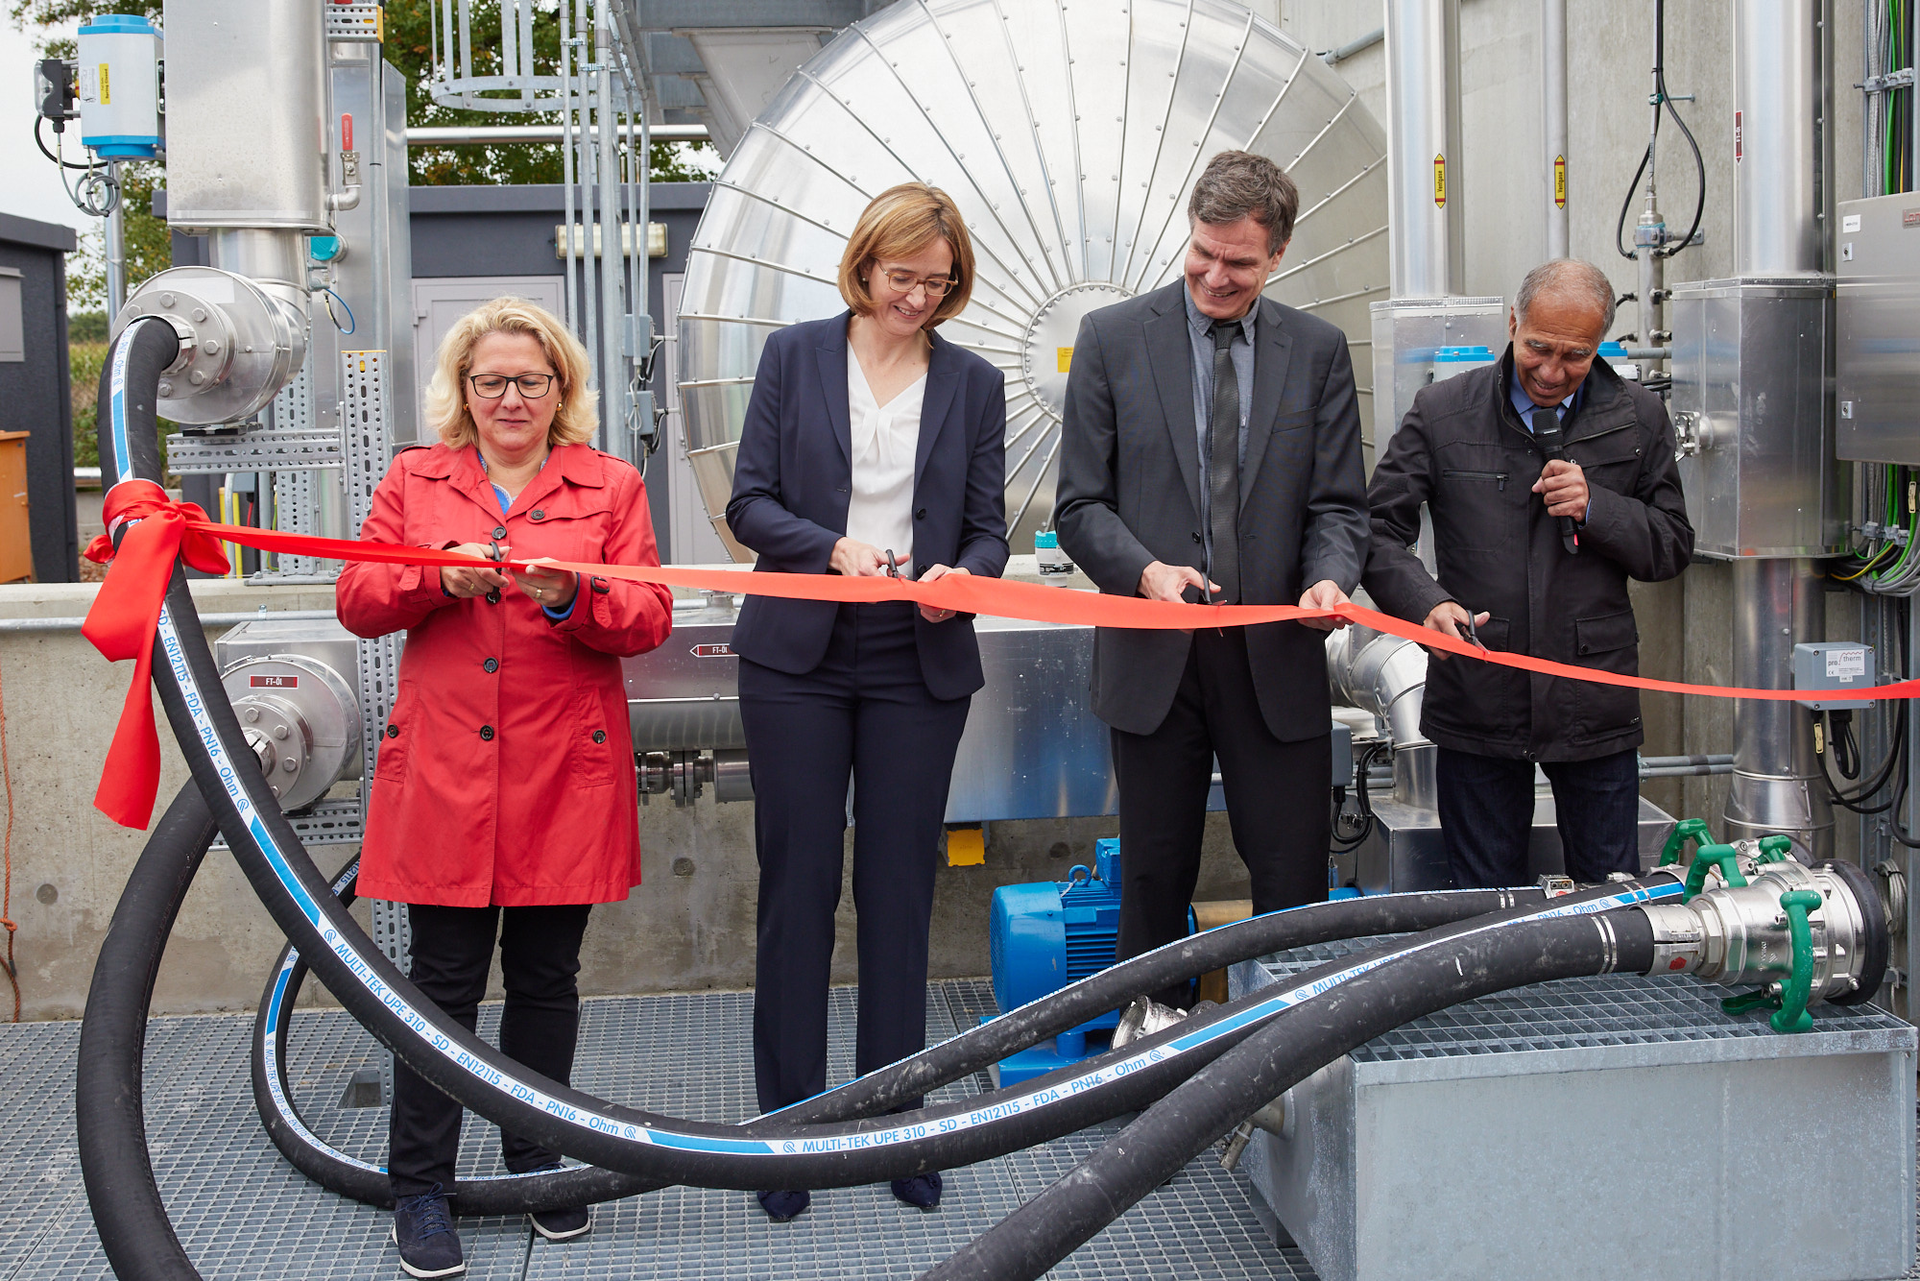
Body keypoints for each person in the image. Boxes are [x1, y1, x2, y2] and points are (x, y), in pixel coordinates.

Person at [338, 297, 674, 1279]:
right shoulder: (416, 478)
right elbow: (358, 599)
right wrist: (437, 580)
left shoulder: (608, 485)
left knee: (545, 981)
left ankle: (536, 1164)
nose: (511, 398)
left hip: (561, 773)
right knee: (438, 990)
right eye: (492, 381)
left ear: (562, 388)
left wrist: (566, 592)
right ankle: (422, 1191)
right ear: (464, 390)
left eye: (531, 380)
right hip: (445, 771)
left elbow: (648, 614)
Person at [725, 182, 1008, 1224]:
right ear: (865, 264)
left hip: (915, 656)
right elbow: (748, 500)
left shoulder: (974, 382)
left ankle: (898, 1122)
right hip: (798, 655)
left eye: (937, 283)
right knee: (796, 890)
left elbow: (989, 527)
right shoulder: (795, 357)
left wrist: (959, 574)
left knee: (899, 892)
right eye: (902, 278)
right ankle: (786, 1136)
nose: (917, 299)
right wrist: (828, 548)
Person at [1054, 150, 1369, 1008]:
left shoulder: (1318, 352)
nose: (1215, 276)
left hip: (1277, 656)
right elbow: (1079, 506)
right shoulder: (1113, 339)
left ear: (1279, 253)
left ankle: (1289, 1064)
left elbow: (1341, 507)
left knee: (1293, 877)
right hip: (1157, 659)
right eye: (1203, 252)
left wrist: (1328, 579)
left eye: (1239, 261)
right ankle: (1152, 1054)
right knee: (1154, 874)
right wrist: (1146, 570)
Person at [1363, 258, 1693, 889]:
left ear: (1600, 346)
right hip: (1479, 684)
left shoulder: (1638, 418)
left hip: (1592, 693)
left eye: (1575, 356)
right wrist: (1426, 604)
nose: (1550, 371)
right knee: (1487, 903)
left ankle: (1603, 993)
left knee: (1612, 899)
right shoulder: (1443, 412)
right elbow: (1377, 530)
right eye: (1537, 347)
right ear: (1512, 323)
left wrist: (1601, 508)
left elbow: (1672, 546)